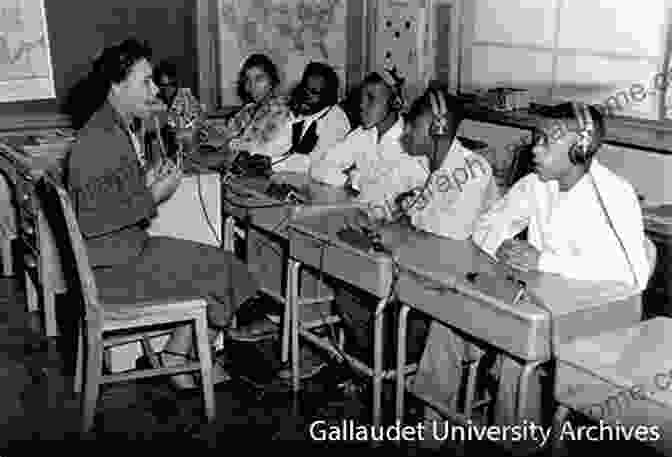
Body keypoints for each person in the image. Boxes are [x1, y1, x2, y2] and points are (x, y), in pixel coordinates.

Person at [420, 101, 650, 450]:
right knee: (446, 319)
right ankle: (431, 435)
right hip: (533, 305)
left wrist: (545, 261)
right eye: (535, 138)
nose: (534, 149)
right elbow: (486, 225)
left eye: (543, 140)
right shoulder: (536, 184)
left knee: (517, 357)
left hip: (586, 321)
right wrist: (502, 245)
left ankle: (514, 446)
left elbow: (633, 274)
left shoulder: (615, 195)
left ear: (580, 147)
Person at [66, 38, 264, 390]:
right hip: (111, 272)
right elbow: (91, 220)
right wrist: (154, 194)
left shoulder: (109, 125)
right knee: (226, 269)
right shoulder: (100, 137)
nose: (155, 88)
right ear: (117, 85)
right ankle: (178, 354)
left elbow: (108, 195)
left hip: (121, 253)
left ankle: (175, 352)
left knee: (220, 264)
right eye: (145, 81)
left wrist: (145, 182)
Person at [393, 87, 497, 448]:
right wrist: (415, 213)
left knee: (441, 322)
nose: (406, 132)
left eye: (413, 125)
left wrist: (416, 214)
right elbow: (422, 217)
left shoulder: (473, 168)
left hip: (475, 288)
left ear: (438, 127)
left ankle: (432, 425)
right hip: (442, 270)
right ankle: (422, 403)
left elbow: (453, 231)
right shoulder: (433, 166)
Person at [310, 69, 429, 367]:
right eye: (361, 98)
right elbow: (321, 168)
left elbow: (400, 195)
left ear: (396, 104)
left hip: (403, 239)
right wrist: (360, 182)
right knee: (343, 279)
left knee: (361, 287)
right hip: (368, 228)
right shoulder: (362, 135)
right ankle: (366, 362)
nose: (362, 106)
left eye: (372, 99)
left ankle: (382, 365)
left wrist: (356, 179)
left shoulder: (410, 140)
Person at [264, 61, 350, 173]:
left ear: (328, 96)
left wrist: (271, 163)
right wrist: (260, 156)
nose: (306, 96)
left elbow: (315, 162)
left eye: (314, 92)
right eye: (305, 89)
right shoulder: (302, 115)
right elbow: (280, 145)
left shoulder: (336, 120)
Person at [215, 54, 292, 157]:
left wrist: (231, 144)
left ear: (272, 81)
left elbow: (264, 148)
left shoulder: (281, 111)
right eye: (248, 80)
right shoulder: (249, 109)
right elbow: (227, 133)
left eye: (259, 79)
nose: (252, 86)